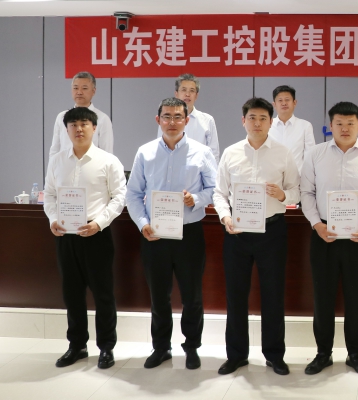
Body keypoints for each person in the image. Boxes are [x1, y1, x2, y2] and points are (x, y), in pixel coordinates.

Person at [126, 97, 217, 370]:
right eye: (167, 116)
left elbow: (215, 189)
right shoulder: (145, 152)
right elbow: (133, 194)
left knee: (192, 296)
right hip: (155, 235)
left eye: (178, 117)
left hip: (189, 234)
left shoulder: (201, 152)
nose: (172, 122)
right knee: (158, 296)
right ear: (158, 120)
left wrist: (196, 199)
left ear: (187, 120)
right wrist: (142, 223)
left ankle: (192, 347)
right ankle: (161, 347)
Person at [212, 97, 300, 376]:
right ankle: (236, 355)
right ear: (243, 121)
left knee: (273, 295)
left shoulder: (283, 153)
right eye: (252, 118)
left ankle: (274, 355)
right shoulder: (231, 153)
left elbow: (296, 191)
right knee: (235, 295)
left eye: (263, 118)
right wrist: (225, 217)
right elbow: (219, 193)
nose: (257, 123)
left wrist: (283, 195)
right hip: (237, 233)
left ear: (271, 122)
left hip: (272, 231)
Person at [301, 101, 358, 376]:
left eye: (350, 123)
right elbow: (306, 193)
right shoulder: (315, 154)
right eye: (339, 123)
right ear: (330, 126)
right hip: (323, 234)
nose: (345, 128)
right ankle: (323, 354)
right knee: (322, 298)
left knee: (357, 299)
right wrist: (316, 224)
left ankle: (355, 354)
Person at [43, 107, 126, 369]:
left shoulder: (108, 161)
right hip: (66, 236)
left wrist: (99, 223)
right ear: (66, 129)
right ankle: (77, 345)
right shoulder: (57, 161)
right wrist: (53, 218)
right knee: (72, 293)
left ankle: (106, 348)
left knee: (103, 294)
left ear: (94, 128)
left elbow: (119, 197)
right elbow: (50, 195)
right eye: (73, 125)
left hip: (96, 235)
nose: (79, 129)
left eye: (84, 124)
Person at [157, 74, 220, 163]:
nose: (187, 94)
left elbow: (214, 153)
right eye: (184, 90)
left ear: (196, 95)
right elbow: (161, 148)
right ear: (176, 94)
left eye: (192, 91)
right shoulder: (166, 120)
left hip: (199, 169)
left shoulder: (207, 120)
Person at [49, 71, 113, 159]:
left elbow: (107, 153)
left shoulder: (102, 119)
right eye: (75, 88)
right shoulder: (62, 117)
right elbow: (54, 150)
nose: (79, 92)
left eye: (84, 88)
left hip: (91, 166)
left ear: (93, 91)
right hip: (65, 166)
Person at [270, 85, 316, 175]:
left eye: (287, 100)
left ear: (294, 102)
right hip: (272, 177)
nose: (284, 103)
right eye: (280, 100)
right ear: (274, 104)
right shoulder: (268, 126)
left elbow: (310, 156)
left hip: (297, 179)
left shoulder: (305, 126)